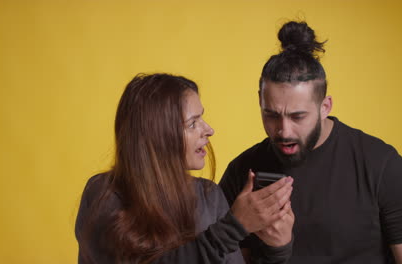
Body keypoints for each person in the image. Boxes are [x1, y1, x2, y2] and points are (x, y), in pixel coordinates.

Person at [219, 21, 402, 263]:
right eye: (271, 115)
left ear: (325, 106)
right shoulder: (242, 171)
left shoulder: (381, 166)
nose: (284, 130)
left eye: (298, 116)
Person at [75, 73, 294, 264]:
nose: (209, 130)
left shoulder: (209, 196)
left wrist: (276, 248)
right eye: (192, 123)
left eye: (202, 118)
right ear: (158, 135)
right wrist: (232, 228)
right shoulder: (104, 194)